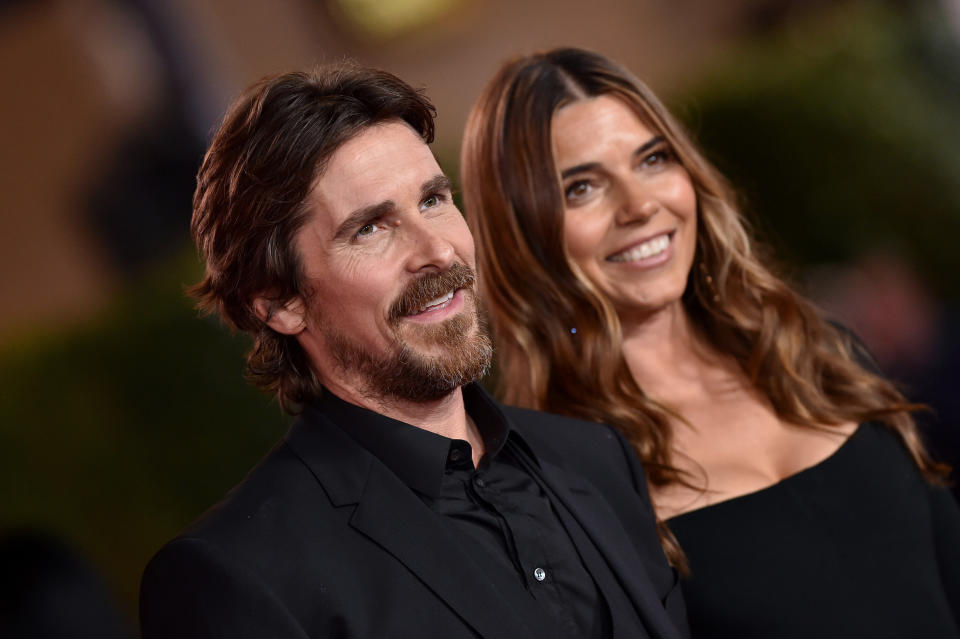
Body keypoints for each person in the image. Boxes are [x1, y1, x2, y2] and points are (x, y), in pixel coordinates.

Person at [139, 63, 690, 639]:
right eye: (371, 229)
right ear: (279, 301)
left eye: (432, 200)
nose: (438, 252)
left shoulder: (597, 459)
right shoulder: (238, 578)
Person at [460, 47, 960, 638]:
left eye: (652, 159)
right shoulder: (560, 483)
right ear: (525, 239)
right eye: (582, 188)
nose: (641, 205)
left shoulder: (813, 351)